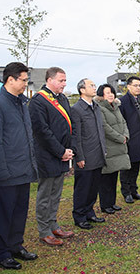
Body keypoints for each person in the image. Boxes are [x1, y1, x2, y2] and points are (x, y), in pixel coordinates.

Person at [0, 62, 38, 269]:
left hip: (23, 169)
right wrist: (2, 171)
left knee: (19, 212)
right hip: (7, 172)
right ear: (10, 80)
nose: (25, 83)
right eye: (23, 80)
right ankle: (1, 253)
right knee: (4, 214)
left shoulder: (21, 103)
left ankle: (15, 245)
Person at [29, 67, 74, 246]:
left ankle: (53, 224)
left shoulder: (62, 98)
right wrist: (60, 151)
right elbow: (42, 131)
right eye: (61, 80)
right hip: (47, 155)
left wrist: (68, 150)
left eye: (65, 80)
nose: (64, 84)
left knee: (56, 194)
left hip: (62, 154)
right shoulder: (38, 101)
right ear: (49, 80)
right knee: (45, 195)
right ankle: (44, 231)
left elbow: (68, 126)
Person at [71, 78, 106, 229]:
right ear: (82, 90)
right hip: (85, 156)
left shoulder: (96, 107)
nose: (94, 87)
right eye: (91, 85)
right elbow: (76, 136)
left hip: (98, 154)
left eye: (94, 85)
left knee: (93, 187)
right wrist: (79, 156)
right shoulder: (76, 109)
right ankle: (79, 216)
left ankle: (89, 212)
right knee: (83, 188)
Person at [96, 84, 130, 214]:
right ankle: (105, 205)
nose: (110, 95)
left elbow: (123, 122)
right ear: (101, 95)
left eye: (112, 92)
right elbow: (105, 127)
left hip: (119, 147)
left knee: (114, 176)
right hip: (109, 147)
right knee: (106, 178)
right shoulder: (100, 108)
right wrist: (120, 138)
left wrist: (125, 135)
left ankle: (112, 202)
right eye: (107, 93)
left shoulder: (116, 107)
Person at [119, 76, 140, 203]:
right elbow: (120, 122)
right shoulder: (122, 101)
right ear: (128, 86)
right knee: (126, 167)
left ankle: (133, 191)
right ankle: (126, 192)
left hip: (139, 138)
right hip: (127, 139)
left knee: (136, 166)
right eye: (135, 85)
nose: (138, 88)